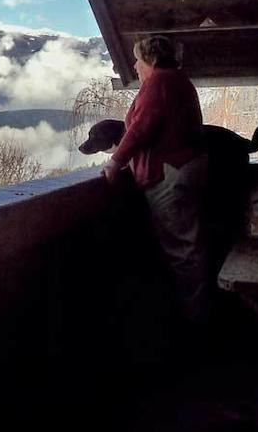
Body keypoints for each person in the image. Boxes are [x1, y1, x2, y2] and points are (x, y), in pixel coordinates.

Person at [103, 35, 209, 323]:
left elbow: (141, 128)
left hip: (170, 171)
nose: (135, 66)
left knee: (182, 249)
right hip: (183, 167)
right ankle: (192, 314)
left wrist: (115, 162)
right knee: (186, 245)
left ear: (151, 59)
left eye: (137, 60)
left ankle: (194, 320)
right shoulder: (176, 80)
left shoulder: (160, 82)